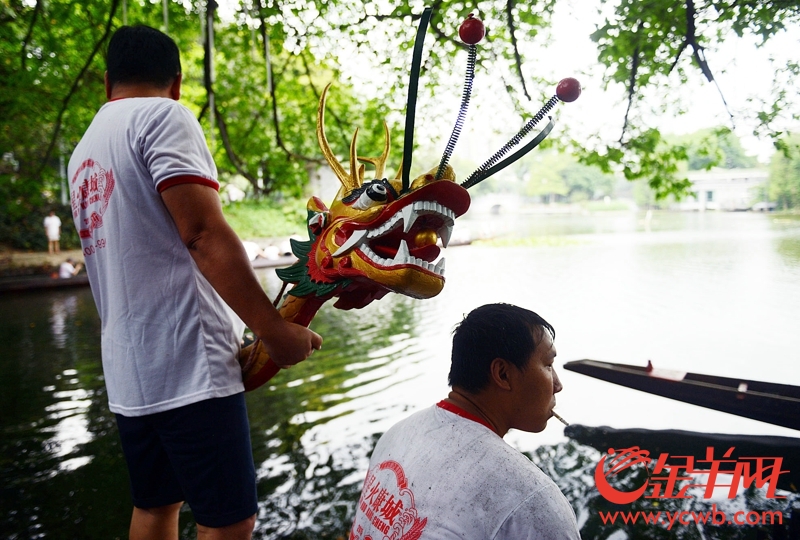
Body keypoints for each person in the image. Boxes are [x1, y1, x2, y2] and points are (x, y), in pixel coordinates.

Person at [67, 25, 322, 540]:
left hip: (129, 370)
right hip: (189, 361)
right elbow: (202, 233)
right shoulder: (164, 116)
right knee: (229, 521)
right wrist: (273, 330)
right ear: (178, 83)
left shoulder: (84, 151)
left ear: (107, 81)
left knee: (156, 506)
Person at [349, 303, 581, 540]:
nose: (558, 385)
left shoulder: (398, 434)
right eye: (548, 365)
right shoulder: (532, 501)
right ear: (502, 374)